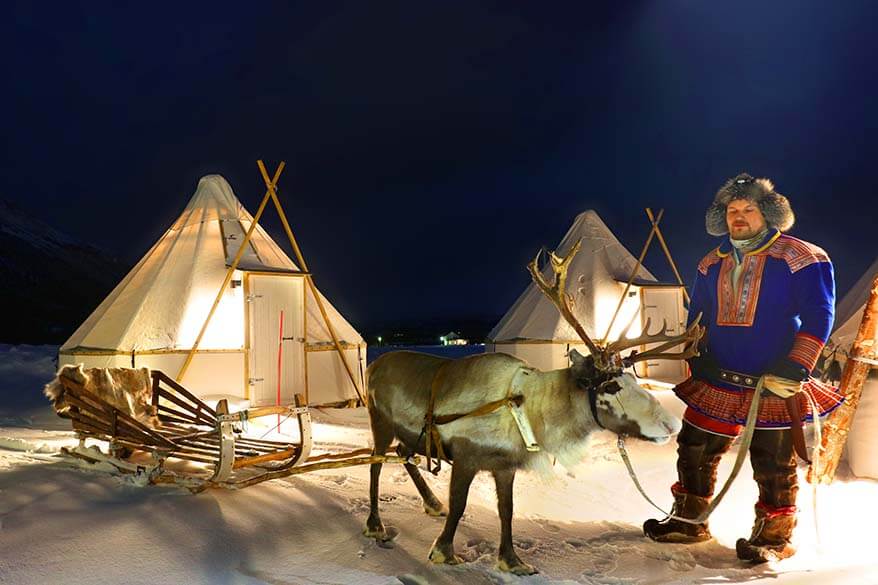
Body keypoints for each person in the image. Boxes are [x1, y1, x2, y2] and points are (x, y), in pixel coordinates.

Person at [642, 172, 843, 563]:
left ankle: (774, 536)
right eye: (732, 210)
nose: (739, 216)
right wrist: (697, 356)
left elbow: (820, 314)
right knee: (694, 450)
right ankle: (688, 520)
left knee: (772, 463)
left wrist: (796, 366)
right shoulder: (709, 263)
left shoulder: (801, 256)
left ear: (767, 213)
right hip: (719, 379)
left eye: (748, 208)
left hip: (774, 379)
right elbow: (697, 317)